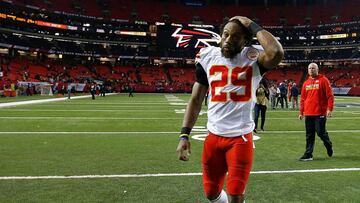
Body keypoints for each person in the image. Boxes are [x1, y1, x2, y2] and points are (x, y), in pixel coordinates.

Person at [176, 16, 283, 203]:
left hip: (240, 138)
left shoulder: (253, 57)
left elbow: (276, 52)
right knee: (211, 192)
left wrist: (251, 24)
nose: (228, 40)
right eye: (225, 34)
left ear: (246, 41)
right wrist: (184, 135)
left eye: (235, 37)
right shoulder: (208, 56)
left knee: (235, 194)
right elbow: (195, 99)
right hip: (213, 137)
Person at [298, 63, 334, 161]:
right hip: (308, 113)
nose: (311, 70)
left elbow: (330, 96)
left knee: (321, 133)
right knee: (309, 135)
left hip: (320, 113)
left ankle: (329, 145)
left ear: (317, 69)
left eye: (313, 68)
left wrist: (329, 109)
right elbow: (302, 99)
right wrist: (301, 112)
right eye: (309, 68)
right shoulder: (306, 83)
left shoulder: (324, 80)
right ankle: (308, 154)